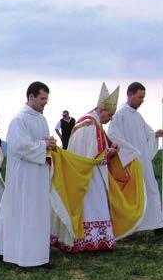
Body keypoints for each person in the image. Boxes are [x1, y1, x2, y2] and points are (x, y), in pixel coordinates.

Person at [0, 82, 56, 268]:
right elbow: (19, 146)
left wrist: (48, 144)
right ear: (31, 97)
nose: (44, 103)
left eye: (46, 100)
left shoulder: (42, 119)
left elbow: (38, 143)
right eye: (42, 99)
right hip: (24, 176)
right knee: (24, 213)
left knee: (37, 213)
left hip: (38, 174)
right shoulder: (19, 119)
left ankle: (37, 255)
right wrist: (43, 146)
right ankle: (23, 256)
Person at [51, 84, 121, 252]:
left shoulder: (85, 122)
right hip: (91, 173)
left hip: (81, 171)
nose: (110, 119)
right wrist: (110, 152)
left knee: (87, 205)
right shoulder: (92, 125)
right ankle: (93, 240)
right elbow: (97, 155)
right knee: (94, 204)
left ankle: (82, 239)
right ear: (101, 110)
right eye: (109, 115)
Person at [108, 82, 163, 235]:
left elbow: (146, 134)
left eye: (143, 97)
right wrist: (131, 153)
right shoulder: (119, 115)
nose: (142, 100)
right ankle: (131, 227)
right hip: (131, 161)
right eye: (140, 97)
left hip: (143, 161)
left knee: (151, 189)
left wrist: (156, 134)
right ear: (130, 95)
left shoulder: (137, 115)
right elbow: (113, 136)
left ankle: (158, 224)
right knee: (134, 194)